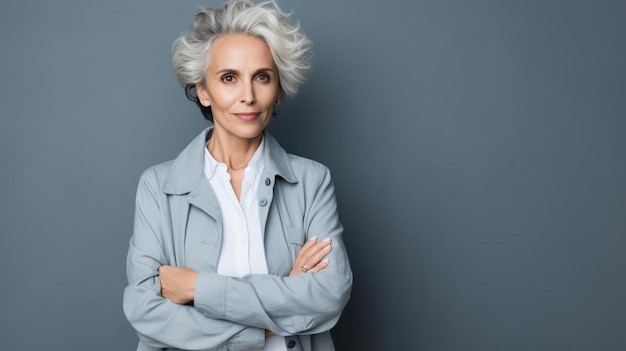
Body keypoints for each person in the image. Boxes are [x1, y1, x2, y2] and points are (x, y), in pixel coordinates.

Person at [122, 1, 353, 350]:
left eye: (262, 77)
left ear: (277, 91)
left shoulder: (311, 181)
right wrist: (270, 317)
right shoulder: (158, 187)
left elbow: (330, 293)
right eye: (229, 78)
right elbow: (145, 311)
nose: (248, 96)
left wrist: (199, 288)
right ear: (203, 90)